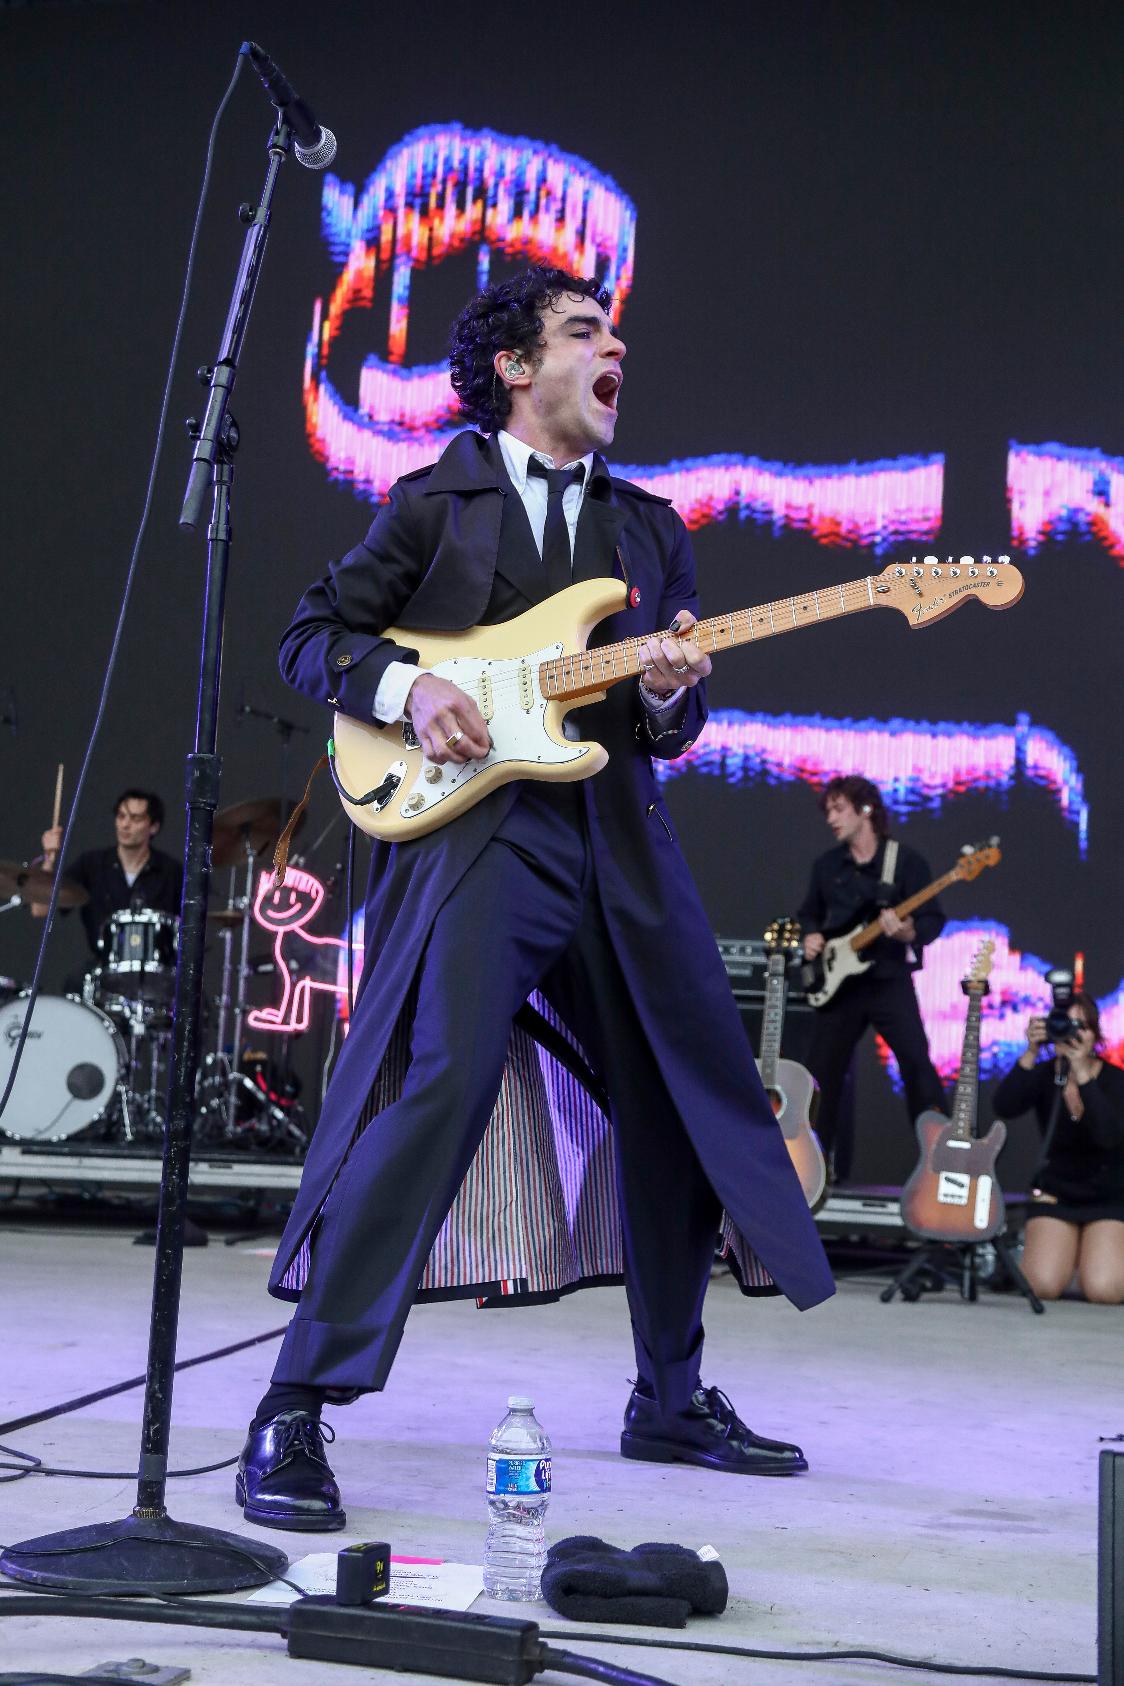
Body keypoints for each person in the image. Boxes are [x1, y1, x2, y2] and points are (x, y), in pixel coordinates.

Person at [235, 265, 835, 1533]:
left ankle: (668, 1396)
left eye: (616, 331)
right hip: (479, 840)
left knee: (678, 1100)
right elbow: (311, 635)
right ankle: (296, 1403)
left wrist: (672, 693)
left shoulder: (648, 528)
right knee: (439, 1083)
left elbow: (669, 723)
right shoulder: (434, 501)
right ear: (514, 366)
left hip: (614, 839)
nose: (615, 348)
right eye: (583, 331)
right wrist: (406, 691)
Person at [797, 776, 946, 1182]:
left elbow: (932, 920)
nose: (831, 818)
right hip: (840, 985)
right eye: (827, 810)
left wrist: (907, 932)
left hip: (887, 978)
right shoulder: (827, 866)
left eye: (838, 808)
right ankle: (811, 1171)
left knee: (917, 1065)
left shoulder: (906, 862)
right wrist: (810, 936)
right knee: (820, 1078)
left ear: (865, 810)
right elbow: (809, 913)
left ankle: (940, 1165)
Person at [992, 995, 1124, 1303]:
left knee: (1104, 1290)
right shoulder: (1046, 1073)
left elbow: (1107, 1136)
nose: (1073, 1034)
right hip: (1058, 1192)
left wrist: (1082, 1073)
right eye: (1066, 1025)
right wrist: (1031, 1051)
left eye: (1082, 1026)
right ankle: (1074, 1256)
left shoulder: (1116, 1080)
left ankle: (1098, 1256)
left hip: (1108, 1195)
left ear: (1095, 1033)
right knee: (1041, 1286)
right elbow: (1005, 1106)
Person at [35, 790, 182, 978]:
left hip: (158, 976)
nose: (125, 825)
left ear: (153, 826)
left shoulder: (171, 871)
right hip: (101, 971)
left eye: (135, 818)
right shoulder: (91, 864)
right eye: (121, 816)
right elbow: (40, 909)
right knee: (72, 985)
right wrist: (48, 858)